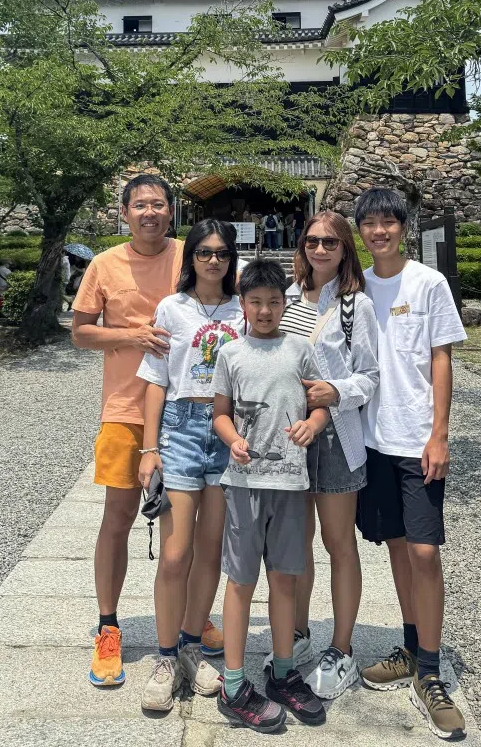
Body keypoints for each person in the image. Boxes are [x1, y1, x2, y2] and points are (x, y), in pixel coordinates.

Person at [73, 175, 221, 689]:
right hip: (125, 409)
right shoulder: (104, 264)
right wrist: (130, 334)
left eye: (158, 204)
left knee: (194, 527)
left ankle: (191, 619)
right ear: (125, 211)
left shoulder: (193, 254)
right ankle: (109, 626)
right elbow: (80, 331)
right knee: (117, 518)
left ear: (172, 210)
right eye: (140, 205)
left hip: (189, 414)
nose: (150, 212)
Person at [354, 188, 467, 741]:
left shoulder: (429, 283)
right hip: (372, 441)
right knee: (397, 548)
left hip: (417, 438)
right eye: (370, 224)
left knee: (425, 550)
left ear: (404, 227)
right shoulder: (355, 288)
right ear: (361, 232)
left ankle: (431, 666)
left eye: (388, 223)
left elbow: (441, 356)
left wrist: (440, 434)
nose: (379, 232)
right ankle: (410, 643)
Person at [212, 259, 329, 731]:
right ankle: (234, 682)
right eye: (255, 302)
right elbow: (220, 413)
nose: (264, 310)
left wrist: (312, 425)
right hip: (242, 486)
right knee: (240, 583)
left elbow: (318, 405)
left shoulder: (300, 349)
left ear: (286, 304)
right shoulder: (230, 354)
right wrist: (231, 439)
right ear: (242, 304)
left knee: (285, 579)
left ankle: (283, 672)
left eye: (273, 302)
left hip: (290, 485)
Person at [136, 220, 243, 712]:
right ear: (191, 257)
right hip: (180, 426)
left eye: (222, 252)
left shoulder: (245, 308)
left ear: (231, 257)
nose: (213, 260)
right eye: (204, 252)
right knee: (176, 554)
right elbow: (156, 378)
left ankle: (192, 646)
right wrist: (148, 447)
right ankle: (164, 656)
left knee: (211, 549)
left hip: (227, 430)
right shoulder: (172, 308)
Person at [276, 212, 379, 700]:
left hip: (336, 435)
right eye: (312, 241)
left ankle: (341, 647)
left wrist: (333, 391)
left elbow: (370, 375)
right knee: (296, 539)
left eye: (330, 243)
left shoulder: (355, 305)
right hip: (289, 433)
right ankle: (298, 632)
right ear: (302, 245)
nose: (320, 250)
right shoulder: (286, 297)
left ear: (345, 249)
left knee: (339, 543)